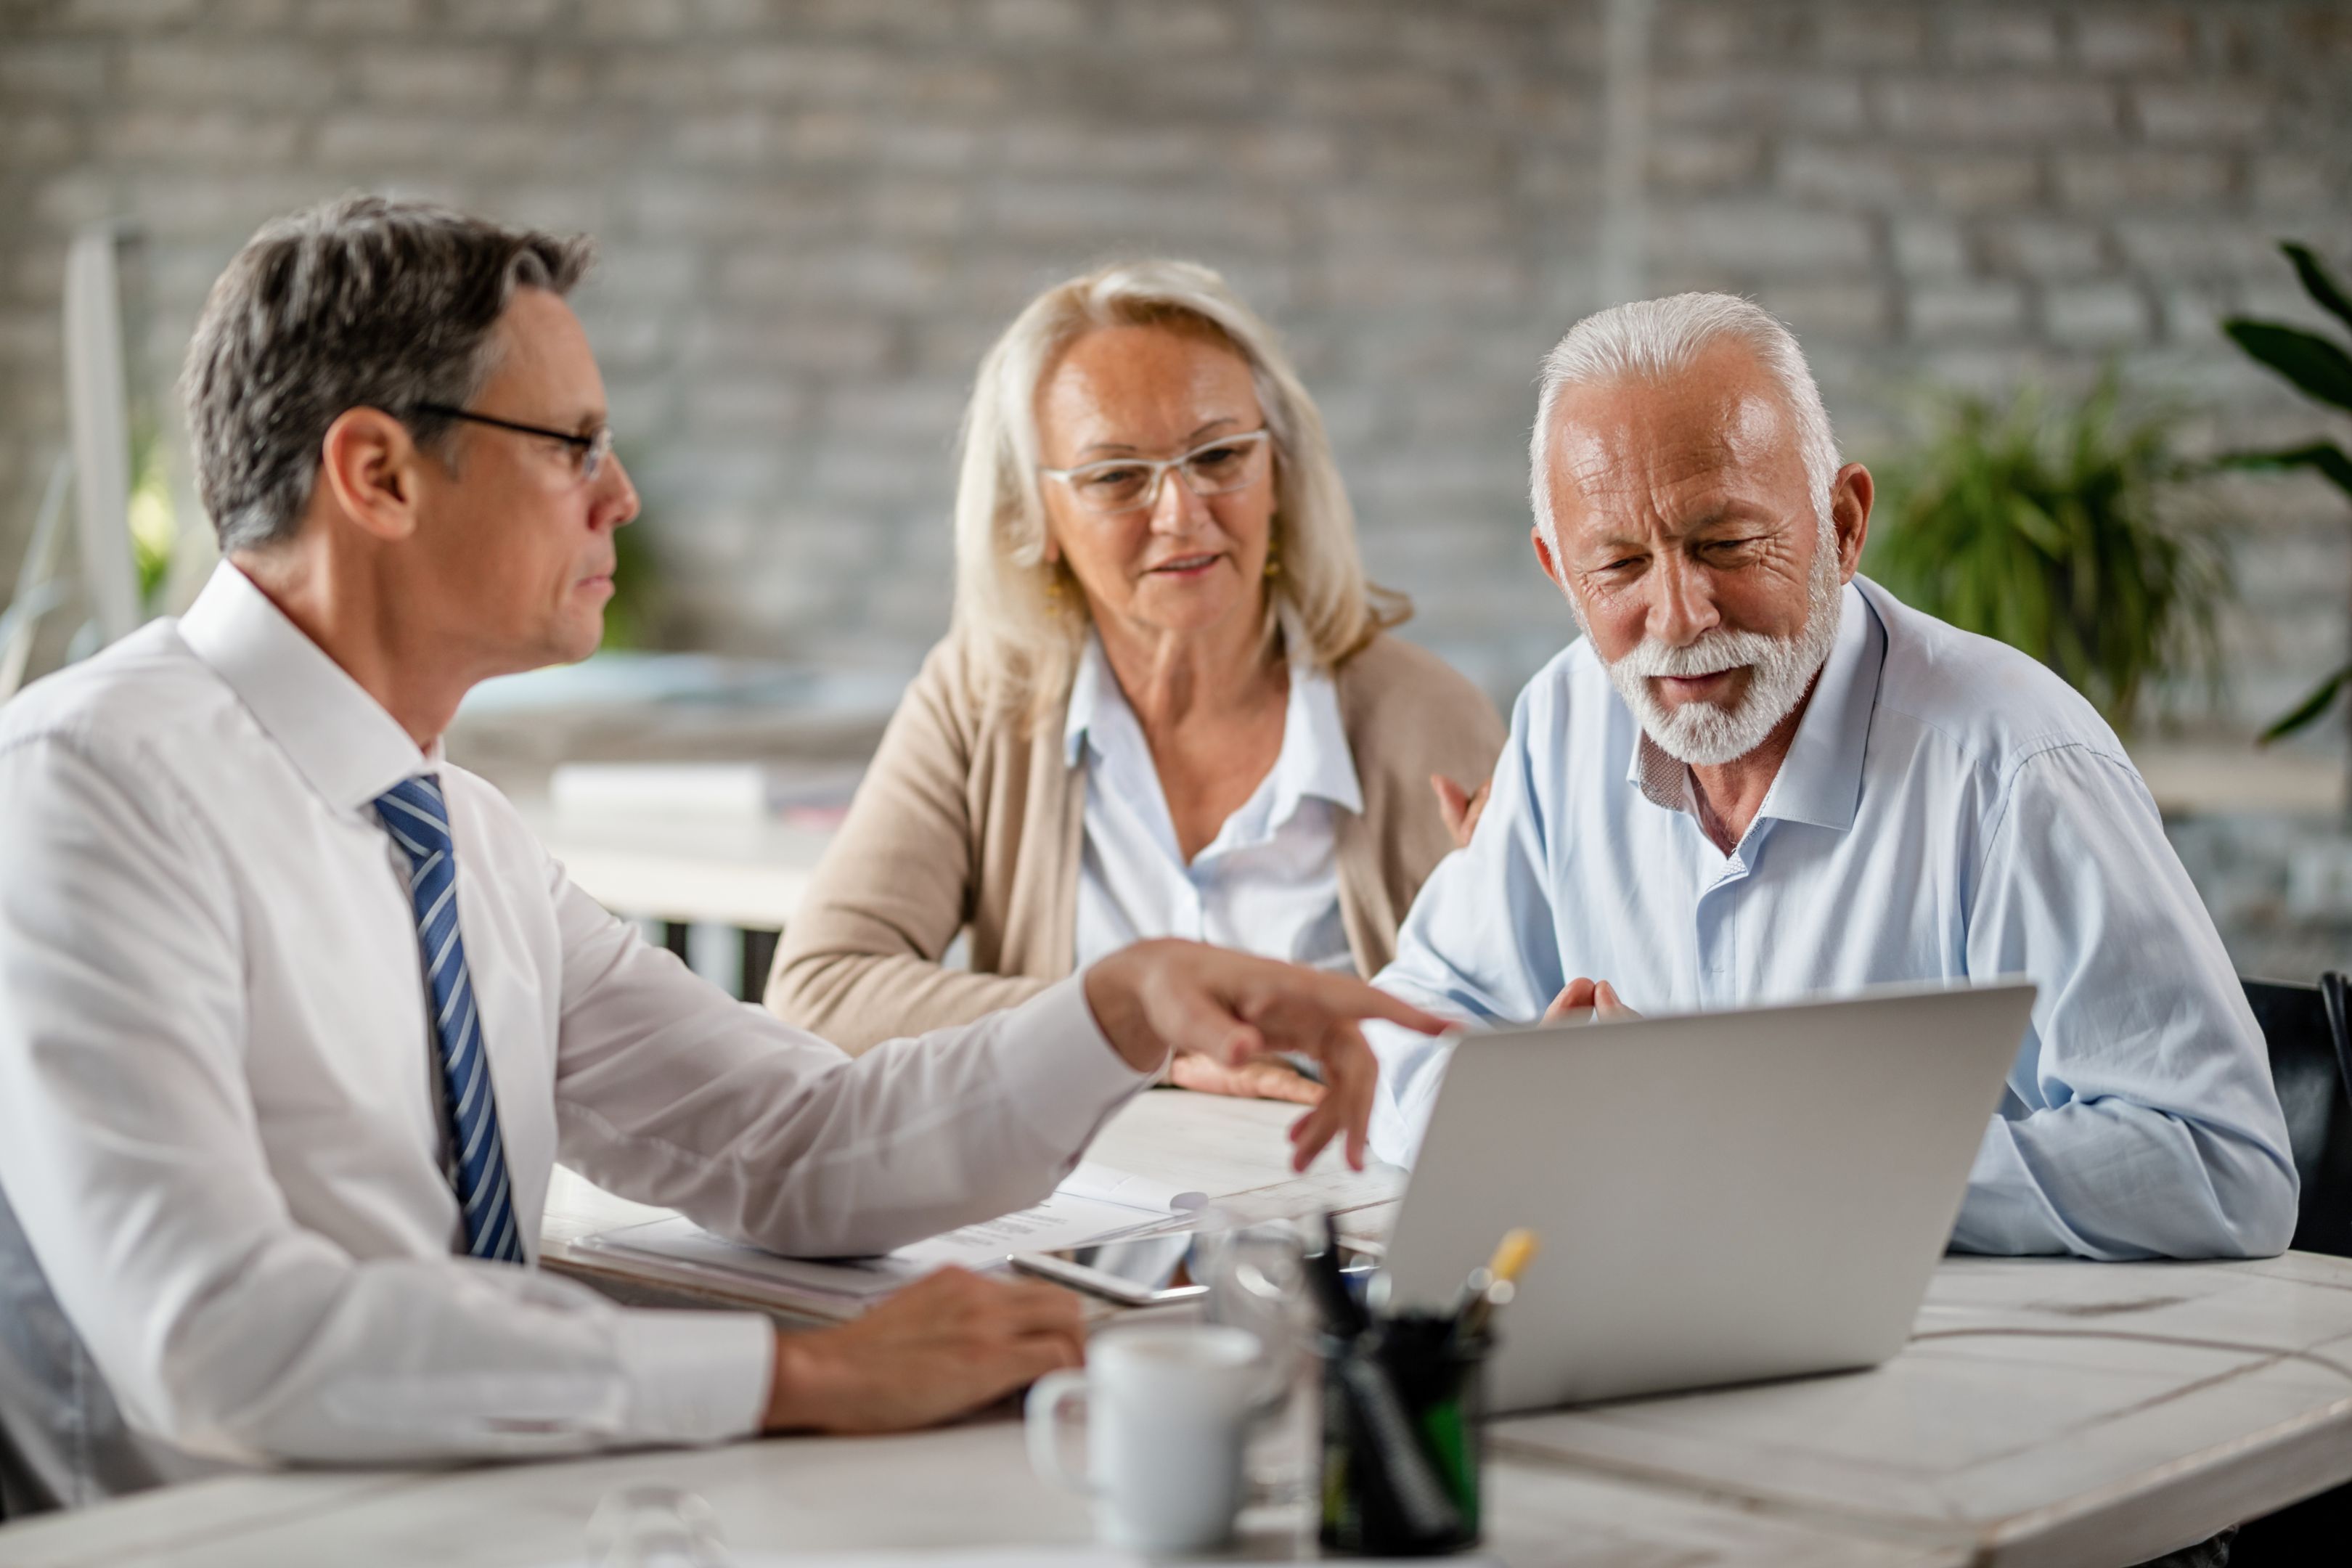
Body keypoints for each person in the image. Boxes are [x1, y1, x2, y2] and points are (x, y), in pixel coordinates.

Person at [0, 197, 1443, 1514]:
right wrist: (795, 1381)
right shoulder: (88, 785)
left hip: (478, 1515)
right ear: (376, 472)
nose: (619, 497)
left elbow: (799, 1142)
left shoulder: (461, 843)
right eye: (572, 446)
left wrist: (1126, 1009)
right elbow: (215, 1340)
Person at [1363, 291, 2298, 1262]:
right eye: (1620, 566)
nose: (1677, 617)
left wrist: (1761, 1144)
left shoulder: (2017, 765)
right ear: (1559, 571)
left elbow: (2223, 1166)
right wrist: (1526, 1114)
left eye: (1725, 544)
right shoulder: (1566, 716)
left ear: (1844, 525)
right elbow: (1408, 1027)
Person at [762, 261, 1506, 1105]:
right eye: (1116, 476)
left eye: (1220, 456)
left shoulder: (1426, 716)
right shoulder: (982, 697)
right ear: (1032, 517)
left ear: (1281, 477)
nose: (1181, 514)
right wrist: (1143, 1027)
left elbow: (1507, 1033)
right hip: (1073, 1222)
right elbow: (821, 993)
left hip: (1334, 1214)